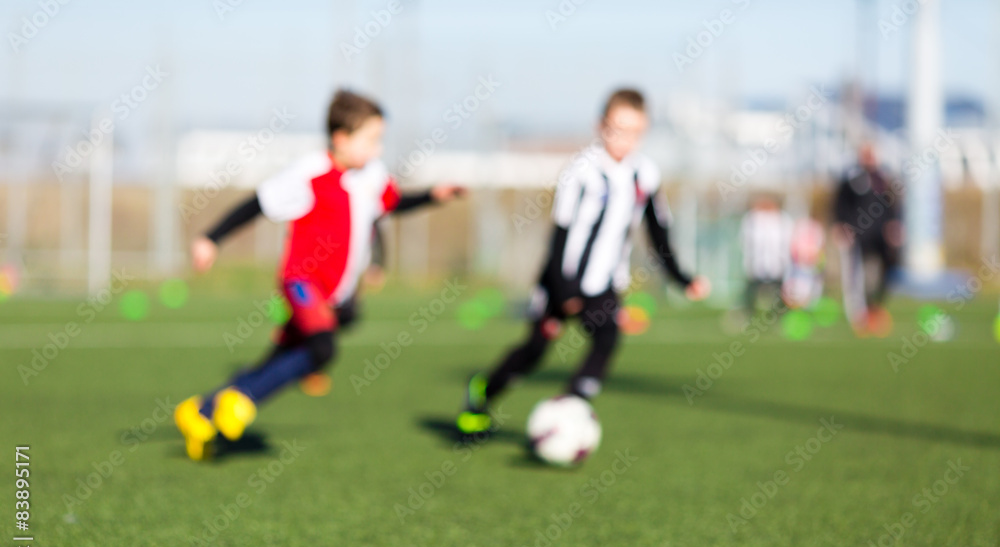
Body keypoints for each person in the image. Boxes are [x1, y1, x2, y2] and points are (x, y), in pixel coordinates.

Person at [174, 89, 463, 460]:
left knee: (283, 357)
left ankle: (201, 412)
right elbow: (258, 204)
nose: (377, 150)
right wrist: (212, 238)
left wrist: (432, 196)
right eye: (372, 140)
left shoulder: (372, 175)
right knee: (322, 348)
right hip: (302, 281)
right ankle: (241, 400)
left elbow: (390, 206)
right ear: (341, 139)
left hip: (335, 294)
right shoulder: (310, 173)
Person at [456, 88, 710, 435]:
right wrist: (565, 290)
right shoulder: (582, 171)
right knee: (535, 351)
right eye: (617, 130)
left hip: (605, 283)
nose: (625, 140)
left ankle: (571, 407)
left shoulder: (645, 174)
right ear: (600, 126)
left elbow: (658, 233)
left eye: (634, 132)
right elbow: (559, 235)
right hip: (562, 280)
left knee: (607, 337)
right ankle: (482, 392)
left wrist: (682, 278)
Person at [832, 143, 903, 336]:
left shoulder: (883, 178)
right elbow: (840, 204)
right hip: (857, 234)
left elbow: (892, 204)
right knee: (855, 275)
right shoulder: (852, 178)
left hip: (879, 235)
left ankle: (875, 309)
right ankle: (858, 316)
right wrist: (840, 225)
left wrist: (894, 225)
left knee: (883, 273)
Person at [740, 194, 794, 313]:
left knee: (780, 289)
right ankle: (746, 311)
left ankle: (780, 313)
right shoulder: (752, 218)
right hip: (757, 261)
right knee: (752, 287)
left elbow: (786, 240)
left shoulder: (783, 219)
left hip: (778, 262)